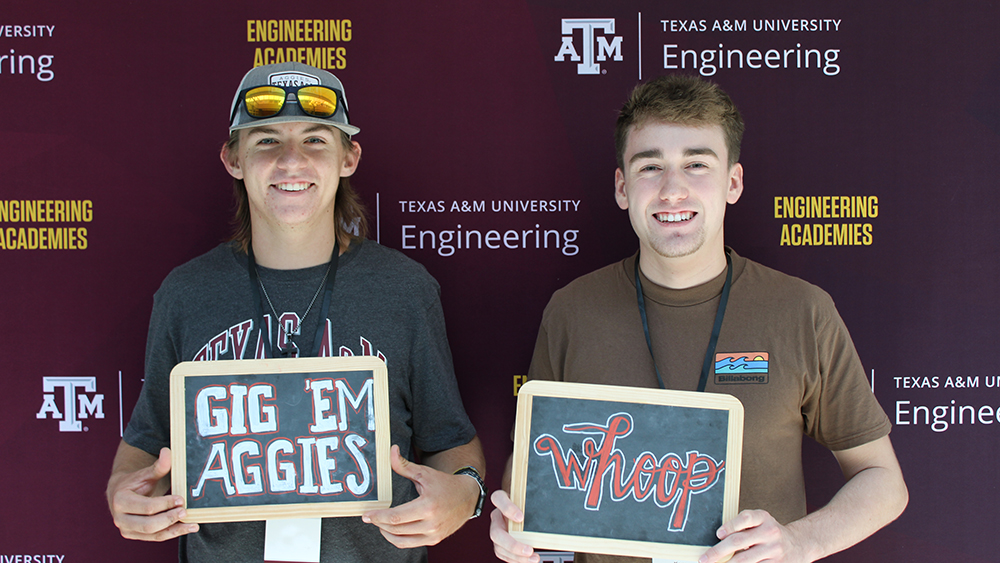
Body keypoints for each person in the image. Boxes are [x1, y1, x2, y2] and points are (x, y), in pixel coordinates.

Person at [490, 75, 907, 563]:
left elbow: (883, 482)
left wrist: (798, 542)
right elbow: (530, 470)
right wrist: (515, 524)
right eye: (650, 167)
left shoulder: (802, 311)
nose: (672, 189)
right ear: (622, 187)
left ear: (733, 182)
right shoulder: (572, 311)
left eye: (696, 164)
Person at [106, 62, 486, 562]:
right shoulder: (186, 293)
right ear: (232, 158)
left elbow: (452, 442)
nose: (291, 161)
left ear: (349, 157)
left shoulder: (403, 289)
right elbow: (146, 443)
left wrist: (466, 495)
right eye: (265, 140)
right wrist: (122, 495)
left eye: (315, 140)